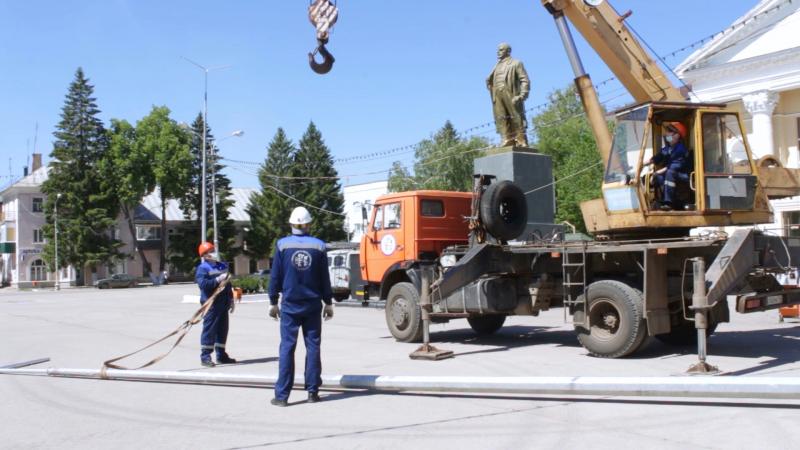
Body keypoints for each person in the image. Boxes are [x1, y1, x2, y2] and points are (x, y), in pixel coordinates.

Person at [268, 206, 334, 407]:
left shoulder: (282, 245)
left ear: (292, 224)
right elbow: (324, 278)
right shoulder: (319, 246)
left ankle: (282, 396)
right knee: (313, 346)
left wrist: (272, 301)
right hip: (313, 304)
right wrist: (328, 302)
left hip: (290, 305)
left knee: (287, 348)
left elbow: (275, 276)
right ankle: (313, 392)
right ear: (308, 224)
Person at [195, 241, 237, 367]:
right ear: (205, 255)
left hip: (223, 302)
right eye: (210, 251)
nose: (214, 252)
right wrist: (217, 280)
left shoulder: (222, 266)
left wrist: (231, 298)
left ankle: (221, 355)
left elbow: (228, 284)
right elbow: (203, 285)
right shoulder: (202, 269)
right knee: (210, 330)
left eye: (213, 250)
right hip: (211, 304)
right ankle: (205, 356)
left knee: (222, 329)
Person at [486, 42, 531, 147]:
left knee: (516, 116)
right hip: (497, 93)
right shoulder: (496, 66)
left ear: (508, 51)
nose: (498, 52)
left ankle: (521, 140)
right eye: (498, 50)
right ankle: (506, 139)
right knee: (501, 117)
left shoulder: (516, 63)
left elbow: (524, 80)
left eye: (501, 50)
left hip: (510, 92)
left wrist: (522, 95)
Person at [647, 122, 690, 211]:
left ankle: (669, 203)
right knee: (658, 177)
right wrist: (642, 164)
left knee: (669, 173)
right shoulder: (668, 148)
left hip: (684, 176)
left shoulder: (680, 149)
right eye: (668, 131)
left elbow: (671, 167)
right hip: (673, 173)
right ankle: (662, 200)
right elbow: (658, 157)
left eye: (670, 131)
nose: (667, 134)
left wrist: (655, 172)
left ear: (678, 135)